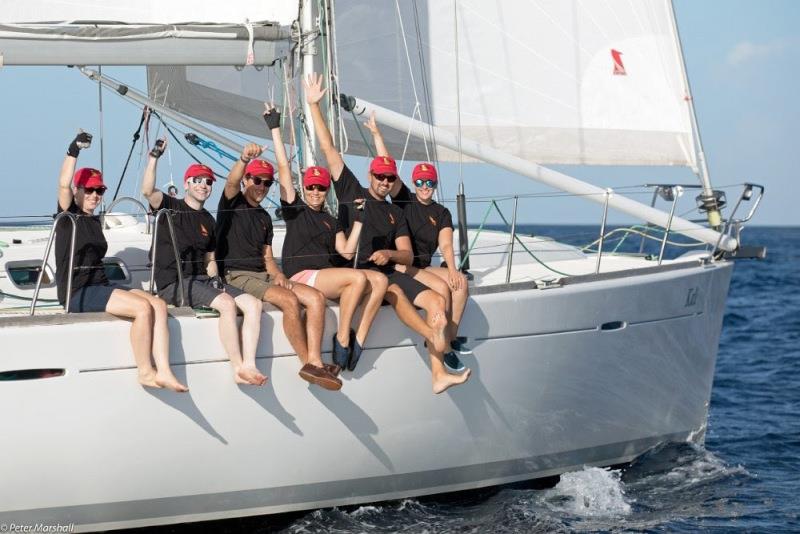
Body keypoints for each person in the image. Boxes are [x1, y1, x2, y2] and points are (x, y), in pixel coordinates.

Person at [305, 73, 471, 394]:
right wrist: (314, 106)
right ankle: (428, 339)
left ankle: (438, 374)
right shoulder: (351, 190)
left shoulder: (397, 212)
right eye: (379, 176)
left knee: (437, 300)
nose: (383, 181)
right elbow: (328, 148)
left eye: (388, 178)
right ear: (370, 175)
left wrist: (390, 254)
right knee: (386, 288)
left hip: (388, 272)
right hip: (357, 275)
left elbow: (407, 255)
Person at [55, 131, 187, 392]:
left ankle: (164, 370)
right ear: (78, 191)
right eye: (90, 190)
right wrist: (74, 150)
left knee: (158, 304)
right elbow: (62, 185)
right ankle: (145, 372)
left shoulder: (94, 219)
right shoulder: (68, 216)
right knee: (142, 309)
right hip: (78, 291)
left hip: (100, 287)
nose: (95, 195)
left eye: (100, 190)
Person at [265, 104, 388, 373]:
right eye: (311, 187)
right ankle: (342, 338)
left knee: (379, 279)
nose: (316, 192)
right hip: (301, 276)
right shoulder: (295, 209)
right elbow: (284, 168)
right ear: (304, 188)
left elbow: (345, 252)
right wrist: (275, 128)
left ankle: (355, 341)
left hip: (321, 276)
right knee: (357, 278)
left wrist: (359, 221)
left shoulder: (332, 220)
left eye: (321, 187)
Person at [215, 139, 341, 391]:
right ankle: (307, 362)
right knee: (289, 300)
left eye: (267, 182)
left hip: (262, 274)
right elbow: (230, 183)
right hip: (236, 275)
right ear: (246, 180)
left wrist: (279, 275)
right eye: (256, 180)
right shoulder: (232, 204)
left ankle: (315, 361)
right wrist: (243, 159)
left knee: (315, 298)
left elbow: (268, 258)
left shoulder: (264, 217)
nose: (261, 186)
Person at [141, 138, 267, 386]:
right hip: (173, 282)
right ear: (187, 184)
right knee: (227, 304)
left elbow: (210, 259)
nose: (204, 185)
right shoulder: (170, 206)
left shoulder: (208, 220)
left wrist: (216, 281)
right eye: (198, 180)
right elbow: (147, 191)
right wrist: (154, 157)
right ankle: (238, 368)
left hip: (201, 280)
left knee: (253, 304)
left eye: (208, 182)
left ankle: (250, 363)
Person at [365, 114, 471, 367]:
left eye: (430, 183)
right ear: (414, 183)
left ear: (435, 185)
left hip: (424, 265)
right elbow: (388, 167)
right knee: (443, 290)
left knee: (460, 283)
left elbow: (445, 244)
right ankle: (439, 345)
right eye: (421, 182)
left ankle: (450, 336)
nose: (425, 187)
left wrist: (454, 270)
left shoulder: (441, 213)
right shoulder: (404, 200)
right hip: (404, 264)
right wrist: (377, 135)